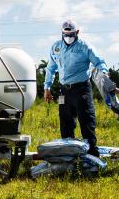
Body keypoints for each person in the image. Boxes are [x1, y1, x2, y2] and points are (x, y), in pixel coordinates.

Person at [43, 20, 109, 157]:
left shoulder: (85, 47)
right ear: (61, 33)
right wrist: (47, 87)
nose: (68, 36)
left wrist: (105, 75)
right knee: (65, 122)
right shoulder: (56, 47)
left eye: (71, 34)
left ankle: (92, 156)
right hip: (64, 92)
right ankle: (69, 156)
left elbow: (100, 62)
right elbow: (50, 68)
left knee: (86, 122)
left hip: (81, 90)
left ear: (77, 32)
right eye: (65, 34)